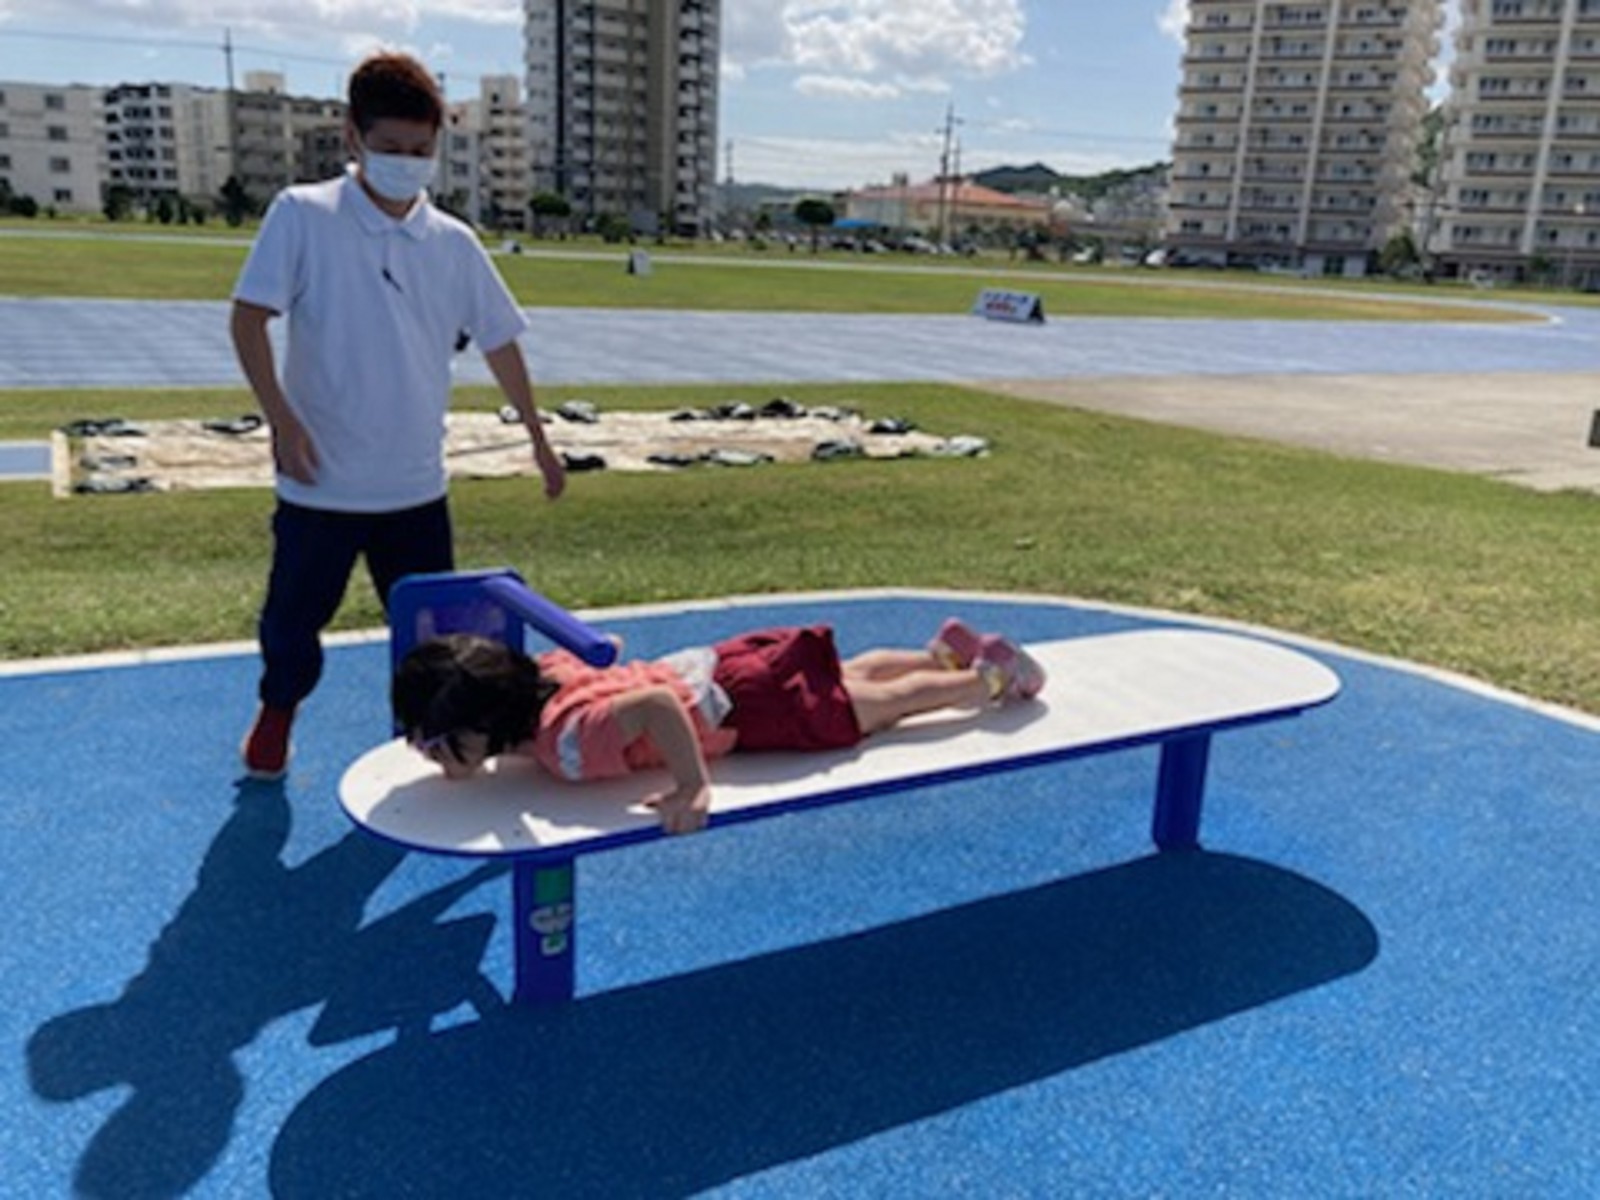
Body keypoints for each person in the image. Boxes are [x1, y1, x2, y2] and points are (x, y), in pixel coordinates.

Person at [231, 52, 565, 780]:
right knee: (291, 624)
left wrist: (540, 440)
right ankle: (277, 712)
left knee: (433, 641)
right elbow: (248, 319)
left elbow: (501, 342)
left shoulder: (452, 242)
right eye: (390, 148)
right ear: (353, 136)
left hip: (414, 485)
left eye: (420, 150)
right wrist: (282, 420)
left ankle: (432, 742)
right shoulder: (303, 215)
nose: (406, 163)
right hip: (320, 481)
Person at [391, 618, 1047, 835]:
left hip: (747, 710)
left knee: (881, 707)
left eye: (438, 742)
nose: (427, 752)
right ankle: (943, 652)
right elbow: (611, 653)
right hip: (718, 665)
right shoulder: (545, 674)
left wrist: (692, 784)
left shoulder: (569, 746)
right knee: (847, 672)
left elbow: (655, 705)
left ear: (486, 722)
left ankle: (986, 678)